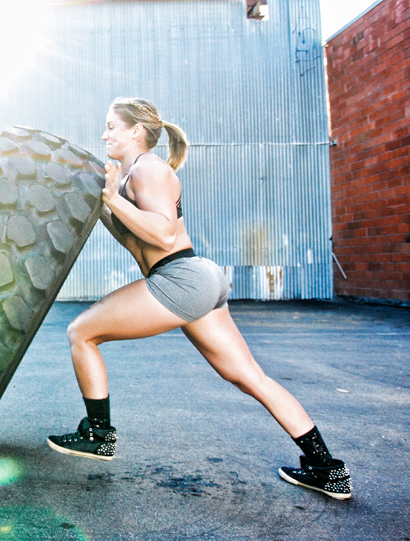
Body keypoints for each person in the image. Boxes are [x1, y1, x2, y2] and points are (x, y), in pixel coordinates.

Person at [46, 97, 352, 500]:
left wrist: (113, 200)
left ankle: (99, 436)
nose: (104, 135)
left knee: (80, 332)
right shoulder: (129, 176)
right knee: (249, 378)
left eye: (111, 126)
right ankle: (328, 469)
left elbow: (163, 234)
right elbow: (131, 234)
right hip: (195, 280)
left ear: (136, 131)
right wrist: (101, 197)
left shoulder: (149, 168)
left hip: (181, 277)